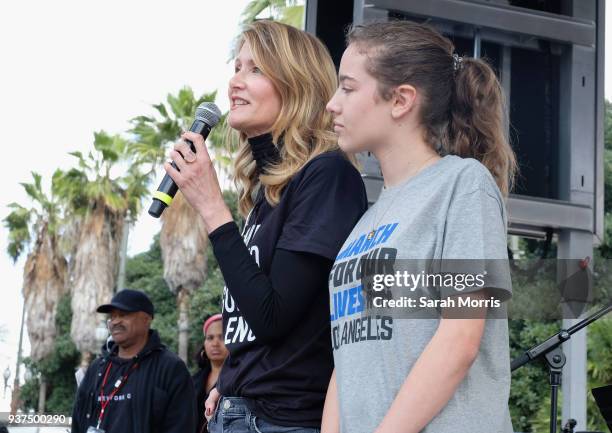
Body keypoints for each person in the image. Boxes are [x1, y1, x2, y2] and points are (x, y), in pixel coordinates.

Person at [163, 20, 367, 433]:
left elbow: (273, 316)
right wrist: (234, 377)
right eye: (236, 68)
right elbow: (251, 317)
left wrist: (211, 209)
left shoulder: (327, 175)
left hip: (282, 420)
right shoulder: (266, 191)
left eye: (255, 70)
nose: (235, 83)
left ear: (296, 85)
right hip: (239, 412)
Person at [322, 20, 516, 433]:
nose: (332, 104)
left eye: (348, 87)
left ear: (401, 100)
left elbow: (460, 338)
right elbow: (349, 358)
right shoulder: (364, 224)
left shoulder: (464, 184)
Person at [71, 289, 196, 433]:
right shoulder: (97, 368)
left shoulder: (170, 368)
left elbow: (182, 426)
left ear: (146, 319)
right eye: (112, 316)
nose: (115, 321)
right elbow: (78, 420)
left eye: (123, 315)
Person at [192, 313, 227, 433]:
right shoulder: (194, 380)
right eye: (210, 338)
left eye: (222, 337)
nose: (215, 343)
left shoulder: (240, 380)